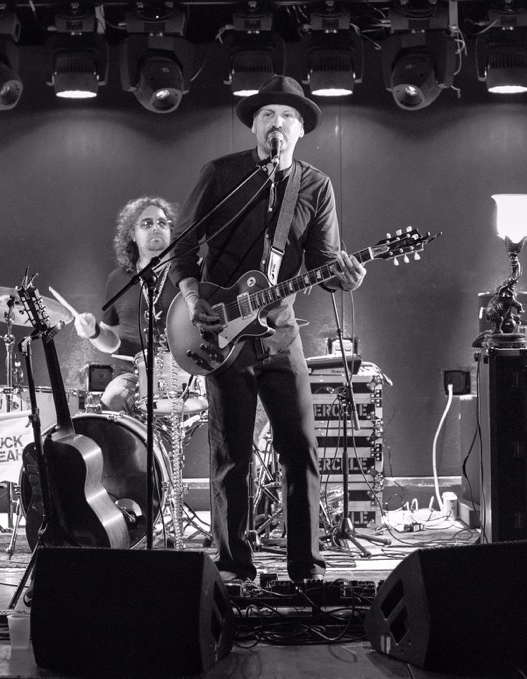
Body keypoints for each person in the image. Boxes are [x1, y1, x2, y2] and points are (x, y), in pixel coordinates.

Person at [168, 75, 365, 583]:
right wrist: (192, 299)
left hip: (280, 334)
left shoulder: (315, 186)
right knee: (231, 456)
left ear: (301, 130)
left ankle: (307, 569)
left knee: (300, 450)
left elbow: (324, 264)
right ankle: (234, 567)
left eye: (287, 116)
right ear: (255, 126)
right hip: (221, 334)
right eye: (267, 115)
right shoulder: (222, 174)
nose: (276, 123)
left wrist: (345, 276)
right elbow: (181, 247)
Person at [72, 196, 180, 414]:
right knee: (112, 399)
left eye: (162, 222)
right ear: (132, 234)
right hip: (132, 376)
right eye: (147, 223)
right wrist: (93, 331)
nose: (156, 228)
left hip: (183, 374)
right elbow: (112, 341)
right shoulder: (118, 279)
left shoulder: (187, 274)